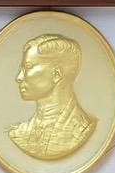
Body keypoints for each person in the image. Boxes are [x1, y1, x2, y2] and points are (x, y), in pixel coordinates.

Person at [8, 33, 97, 161]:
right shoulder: (18, 133)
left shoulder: (82, 130)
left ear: (56, 74)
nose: (19, 77)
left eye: (28, 67)